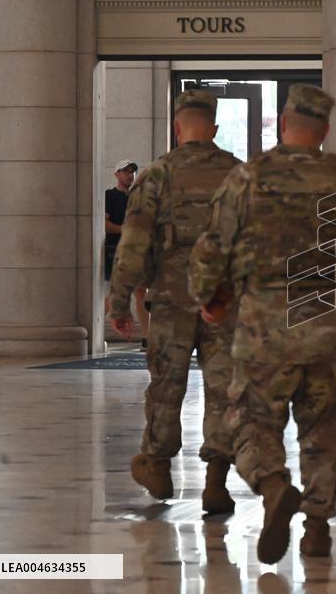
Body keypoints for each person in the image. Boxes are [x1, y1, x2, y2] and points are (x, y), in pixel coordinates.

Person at [188, 84, 336, 564]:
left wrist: (208, 297)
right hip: (329, 331)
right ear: (325, 131)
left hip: (263, 331)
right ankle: (317, 530)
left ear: (282, 123)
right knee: (323, 433)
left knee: (251, 421)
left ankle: (274, 485)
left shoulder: (247, 179)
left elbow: (212, 250)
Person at [109, 89, 242, 515]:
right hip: (224, 306)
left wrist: (119, 302)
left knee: (167, 387)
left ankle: (160, 466)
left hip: (170, 303)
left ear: (177, 126)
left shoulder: (157, 175)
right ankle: (216, 483)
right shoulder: (240, 175)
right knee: (224, 390)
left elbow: (133, 244)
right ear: (215, 127)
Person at [105, 159, 149, 348]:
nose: (129, 175)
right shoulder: (110, 196)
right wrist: (125, 230)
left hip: (137, 250)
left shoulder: (137, 197)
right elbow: (105, 224)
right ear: (117, 174)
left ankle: (147, 336)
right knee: (115, 293)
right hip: (115, 249)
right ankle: (96, 329)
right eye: (125, 172)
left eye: (132, 172)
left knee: (141, 292)